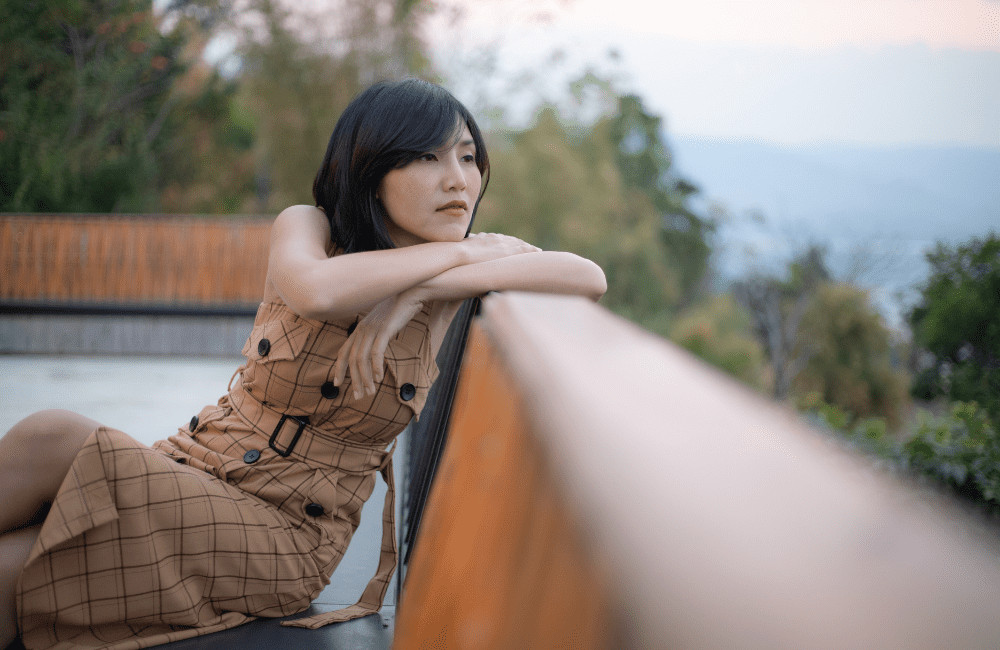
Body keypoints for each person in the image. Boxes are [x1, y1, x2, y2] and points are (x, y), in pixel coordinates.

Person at [0, 78, 607, 649]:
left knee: (53, 435)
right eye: (426, 157)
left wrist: (422, 292)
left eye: (468, 157)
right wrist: (456, 259)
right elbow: (316, 290)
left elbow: (586, 277)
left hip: (283, 534)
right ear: (371, 171)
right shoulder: (308, 227)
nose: (457, 181)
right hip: (194, 466)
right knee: (16, 565)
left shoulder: (457, 276)